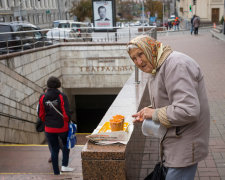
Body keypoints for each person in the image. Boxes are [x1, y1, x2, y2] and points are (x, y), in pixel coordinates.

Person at [127, 35, 210, 180]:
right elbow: (170, 100)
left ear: (150, 48)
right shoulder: (157, 66)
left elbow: (188, 110)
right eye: (134, 58)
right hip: (176, 142)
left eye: (140, 54)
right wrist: (148, 112)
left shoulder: (175, 65)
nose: (138, 62)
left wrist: (154, 113)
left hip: (184, 144)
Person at [38, 76, 74, 175]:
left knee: (54, 149)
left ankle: (56, 172)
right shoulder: (62, 96)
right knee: (66, 147)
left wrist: (48, 121)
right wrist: (67, 121)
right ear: (58, 84)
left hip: (49, 128)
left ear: (48, 85)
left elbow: (40, 114)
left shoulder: (42, 97)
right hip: (62, 127)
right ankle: (64, 166)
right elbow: (66, 114)